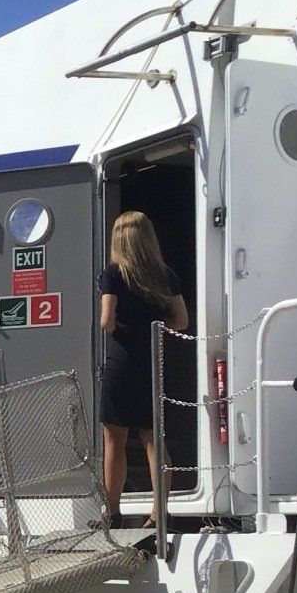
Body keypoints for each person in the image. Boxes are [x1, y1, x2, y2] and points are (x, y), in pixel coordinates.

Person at [98, 210, 189, 523]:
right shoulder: (164, 274)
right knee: (153, 438)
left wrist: (125, 325)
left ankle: (112, 512)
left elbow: (106, 322)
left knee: (114, 440)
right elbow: (182, 320)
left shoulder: (113, 274)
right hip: (151, 360)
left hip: (122, 362)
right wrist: (152, 323)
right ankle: (158, 511)